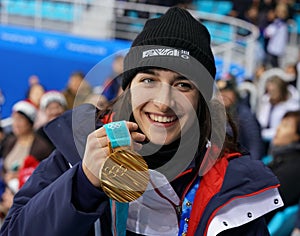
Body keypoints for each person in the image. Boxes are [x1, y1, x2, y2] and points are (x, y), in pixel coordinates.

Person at [0, 7, 283, 236]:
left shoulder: (231, 183)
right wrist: (84, 184)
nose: (163, 101)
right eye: (148, 79)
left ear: (201, 101)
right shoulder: (77, 154)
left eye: (183, 85)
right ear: (128, 88)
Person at [216, 76, 265, 160]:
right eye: (220, 92)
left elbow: (255, 146)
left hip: (239, 163)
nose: (223, 95)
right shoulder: (214, 113)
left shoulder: (244, 114)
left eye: (227, 91)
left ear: (235, 93)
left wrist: (249, 167)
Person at [264, 110, 300, 222]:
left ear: (297, 136)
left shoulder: (293, 168)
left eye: (285, 126)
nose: (278, 128)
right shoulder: (280, 158)